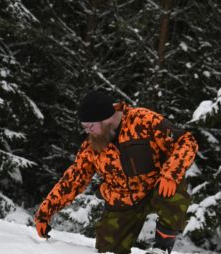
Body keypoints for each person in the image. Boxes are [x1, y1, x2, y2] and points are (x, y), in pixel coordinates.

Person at [34, 91, 198, 254]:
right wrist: (44, 213)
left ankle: (161, 248)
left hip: (155, 187)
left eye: (90, 126)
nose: (88, 131)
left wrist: (170, 174)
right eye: (84, 127)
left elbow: (186, 141)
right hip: (122, 200)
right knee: (108, 251)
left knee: (173, 189)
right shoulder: (92, 145)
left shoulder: (143, 120)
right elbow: (73, 179)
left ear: (106, 119)